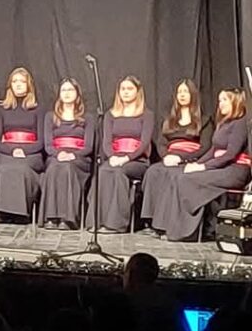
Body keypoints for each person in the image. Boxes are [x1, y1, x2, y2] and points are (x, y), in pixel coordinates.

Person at [149, 88, 251, 240]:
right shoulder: (224, 123)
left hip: (234, 171)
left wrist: (204, 167)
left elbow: (230, 154)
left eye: (225, 100)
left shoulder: (241, 123)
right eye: (220, 100)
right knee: (179, 176)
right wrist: (196, 164)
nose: (220, 104)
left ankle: (185, 233)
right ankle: (166, 227)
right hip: (221, 167)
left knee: (187, 181)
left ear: (236, 102)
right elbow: (212, 150)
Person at [87, 75, 154, 233]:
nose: (125, 92)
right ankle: (97, 221)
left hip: (137, 161)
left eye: (129, 89)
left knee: (118, 172)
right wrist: (112, 157)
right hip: (115, 158)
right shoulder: (111, 115)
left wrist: (126, 158)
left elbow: (144, 143)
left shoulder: (146, 115)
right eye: (122, 89)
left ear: (137, 91)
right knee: (103, 171)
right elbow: (107, 142)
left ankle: (115, 224)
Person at [140, 79, 210, 230]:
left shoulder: (203, 120)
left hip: (189, 160)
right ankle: (152, 221)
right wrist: (166, 156)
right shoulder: (169, 121)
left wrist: (181, 158)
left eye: (185, 92)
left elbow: (205, 147)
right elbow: (161, 143)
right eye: (179, 92)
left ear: (193, 95)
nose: (182, 95)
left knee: (173, 176)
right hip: (169, 158)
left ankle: (167, 223)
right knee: (153, 172)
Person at [0, 67, 44, 223]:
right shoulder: (2, 109)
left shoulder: (38, 110)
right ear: (10, 86)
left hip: (31, 153)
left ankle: (21, 213)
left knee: (22, 169)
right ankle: (2, 211)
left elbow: (41, 141)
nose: (18, 85)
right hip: (6, 152)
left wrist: (23, 150)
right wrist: (13, 150)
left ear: (28, 85)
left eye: (22, 81)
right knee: (5, 168)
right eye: (14, 82)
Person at [39, 78, 94, 229]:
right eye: (64, 90)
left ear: (77, 94)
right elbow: (48, 145)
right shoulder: (50, 117)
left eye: (70, 90)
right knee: (54, 168)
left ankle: (67, 218)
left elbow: (88, 146)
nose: (67, 93)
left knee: (68, 168)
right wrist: (58, 154)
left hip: (79, 158)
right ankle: (51, 217)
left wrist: (74, 155)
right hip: (56, 155)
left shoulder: (87, 118)